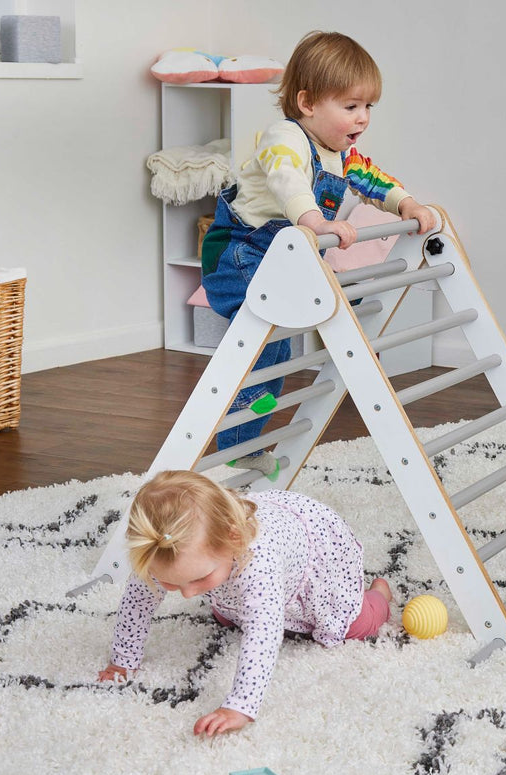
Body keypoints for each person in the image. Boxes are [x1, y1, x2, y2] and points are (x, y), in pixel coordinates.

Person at [201, 30, 436, 477]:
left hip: (281, 255)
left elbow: (374, 181)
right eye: (350, 106)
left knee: (277, 351)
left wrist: (406, 203)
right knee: (263, 338)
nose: (362, 118)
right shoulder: (284, 138)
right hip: (239, 252)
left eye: (368, 106)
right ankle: (241, 403)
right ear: (307, 103)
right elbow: (286, 179)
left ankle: (241, 447)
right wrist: (315, 221)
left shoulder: (341, 155)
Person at [98, 470, 392, 736]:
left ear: (233, 539)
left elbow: (263, 634)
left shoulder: (259, 563)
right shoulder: (155, 550)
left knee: (355, 625)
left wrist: (240, 706)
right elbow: (137, 602)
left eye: (199, 579)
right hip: (247, 573)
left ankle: (379, 594)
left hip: (317, 555)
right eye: (172, 583)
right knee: (226, 614)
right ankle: (224, 594)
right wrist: (123, 660)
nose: (188, 594)